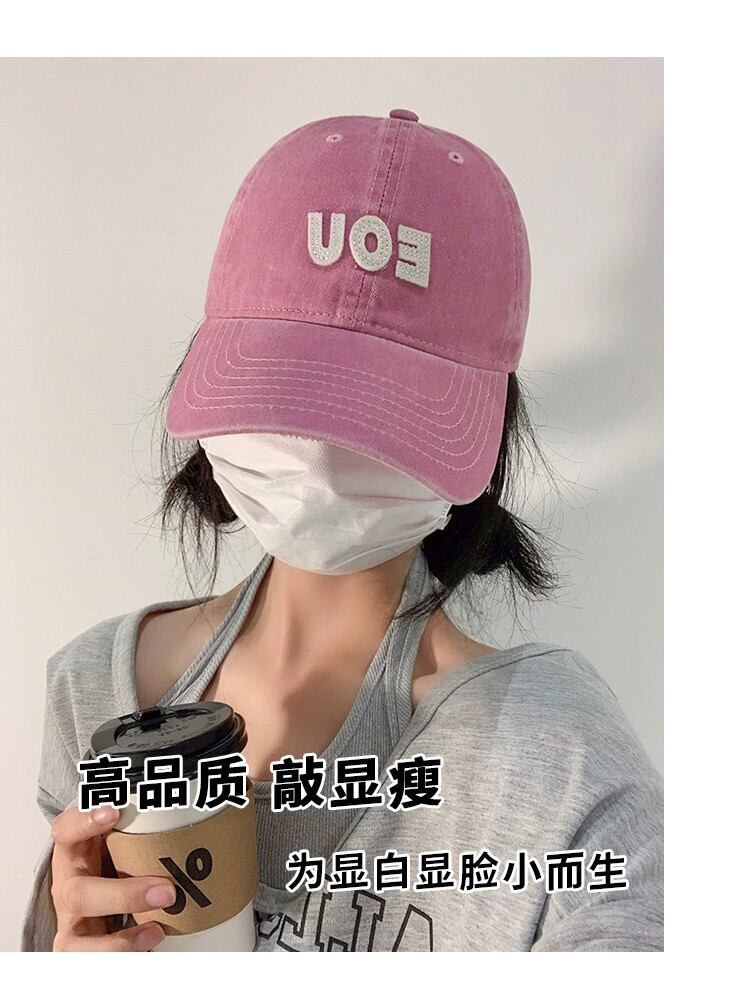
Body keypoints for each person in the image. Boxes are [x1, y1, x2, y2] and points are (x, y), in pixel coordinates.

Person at [22, 108, 663, 952]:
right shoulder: (93, 694)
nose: (324, 455)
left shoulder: (554, 759)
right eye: (292, 386)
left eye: (386, 409)